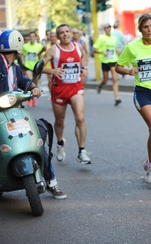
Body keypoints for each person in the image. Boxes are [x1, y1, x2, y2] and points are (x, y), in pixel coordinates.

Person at [0, 29, 66, 199]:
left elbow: (23, 81)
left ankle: (51, 180)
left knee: (39, 134)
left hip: (15, 113)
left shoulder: (14, 66)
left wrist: (34, 88)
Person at [115, 14, 151, 184]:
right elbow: (118, 66)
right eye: (145, 27)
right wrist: (128, 71)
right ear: (140, 29)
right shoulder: (132, 47)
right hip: (143, 92)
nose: (149, 29)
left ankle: (149, 161)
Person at [40, 23, 91, 165]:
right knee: (60, 121)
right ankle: (60, 143)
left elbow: (85, 56)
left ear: (71, 33)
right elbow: (38, 66)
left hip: (75, 87)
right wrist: (52, 71)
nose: (65, 34)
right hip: (59, 89)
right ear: (58, 36)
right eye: (62, 32)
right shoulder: (53, 50)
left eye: (67, 31)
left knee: (80, 118)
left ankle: (82, 151)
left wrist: (84, 69)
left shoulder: (78, 47)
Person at [93, 23, 121, 106]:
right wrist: (102, 52)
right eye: (107, 28)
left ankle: (117, 98)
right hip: (105, 61)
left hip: (113, 60)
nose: (108, 29)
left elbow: (114, 48)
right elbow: (95, 50)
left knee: (114, 79)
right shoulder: (101, 38)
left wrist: (117, 51)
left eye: (109, 28)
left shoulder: (114, 38)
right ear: (104, 30)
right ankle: (100, 85)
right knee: (105, 80)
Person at [20, 31, 45, 107]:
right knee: (30, 80)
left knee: (35, 83)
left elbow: (42, 56)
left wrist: (41, 62)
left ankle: (33, 98)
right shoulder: (25, 46)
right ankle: (30, 99)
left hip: (36, 67)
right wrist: (23, 61)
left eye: (33, 36)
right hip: (28, 66)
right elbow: (22, 54)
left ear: (35, 37)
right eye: (30, 36)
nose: (31, 38)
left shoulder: (39, 46)